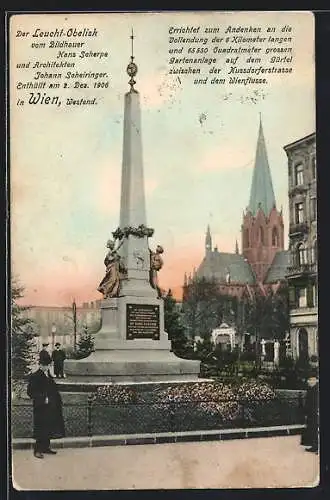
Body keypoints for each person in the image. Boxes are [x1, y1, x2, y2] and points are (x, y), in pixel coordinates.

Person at [27, 350, 65, 459]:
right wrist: (43, 398)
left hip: (50, 406)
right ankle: (37, 450)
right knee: (40, 428)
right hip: (40, 407)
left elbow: (52, 389)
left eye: (47, 365)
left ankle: (46, 447)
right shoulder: (35, 376)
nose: (46, 367)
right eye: (44, 365)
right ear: (40, 365)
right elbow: (30, 392)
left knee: (48, 427)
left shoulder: (48, 375)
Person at [301, 368, 319, 453]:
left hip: (315, 413)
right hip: (311, 413)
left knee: (315, 429)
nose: (309, 382)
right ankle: (314, 446)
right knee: (312, 429)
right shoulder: (311, 389)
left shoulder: (316, 390)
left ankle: (316, 446)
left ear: (315, 380)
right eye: (308, 380)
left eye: (311, 380)